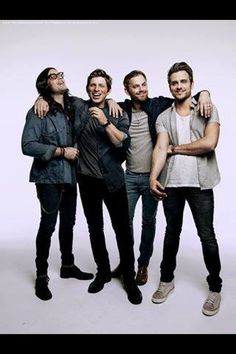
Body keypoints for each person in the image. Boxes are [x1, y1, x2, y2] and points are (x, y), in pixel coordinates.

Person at [34, 69, 142, 305]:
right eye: (93, 85)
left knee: (122, 230)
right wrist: (40, 98)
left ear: (108, 90)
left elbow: (122, 142)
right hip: (87, 180)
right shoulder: (78, 106)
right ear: (87, 88)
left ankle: (129, 277)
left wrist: (105, 122)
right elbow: (55, 96)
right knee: (95, 229)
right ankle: (102, 271)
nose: (96, 89)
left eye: (101, 86)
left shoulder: (117, 111)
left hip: (114, 181)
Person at [111, 70, 212, 286]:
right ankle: (126, 262)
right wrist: (109, 99)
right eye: (135, 86)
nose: (141, 89)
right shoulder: (121, 109)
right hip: (129, 176)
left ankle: (143, 265)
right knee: (124, 223)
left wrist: (205, 93)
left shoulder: (159, 105)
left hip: (154, 177)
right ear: (127, 90)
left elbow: (186, 95)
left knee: (149, 223)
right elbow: (95, 103)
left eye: (144, 84)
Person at [149, 62, 222, 316]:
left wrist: (177, 149)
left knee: (207, 235)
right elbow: (160, 148)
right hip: (173, 184)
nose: (178, 86)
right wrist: (153, 176)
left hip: (200, 185)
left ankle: (215, 288)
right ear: (169, 86)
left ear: (192, 83)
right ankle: (166, 281)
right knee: (171, 234)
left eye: (183, 81)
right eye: (174, 82)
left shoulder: (207, 109)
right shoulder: (163, 117)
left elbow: (209, 143)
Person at [21, 67, 93, 301]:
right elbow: (28, 145)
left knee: (68, 224)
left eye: (60, 73)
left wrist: (110, 98)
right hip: (48, 178)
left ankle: (67, 265)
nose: (60, 77)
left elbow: (95, 101)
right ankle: (42, 275)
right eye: (53, 76)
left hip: (71, 177)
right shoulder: (38, 111)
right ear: (44, 84)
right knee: (48, 225)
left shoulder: (74, 105)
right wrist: (61, 151)